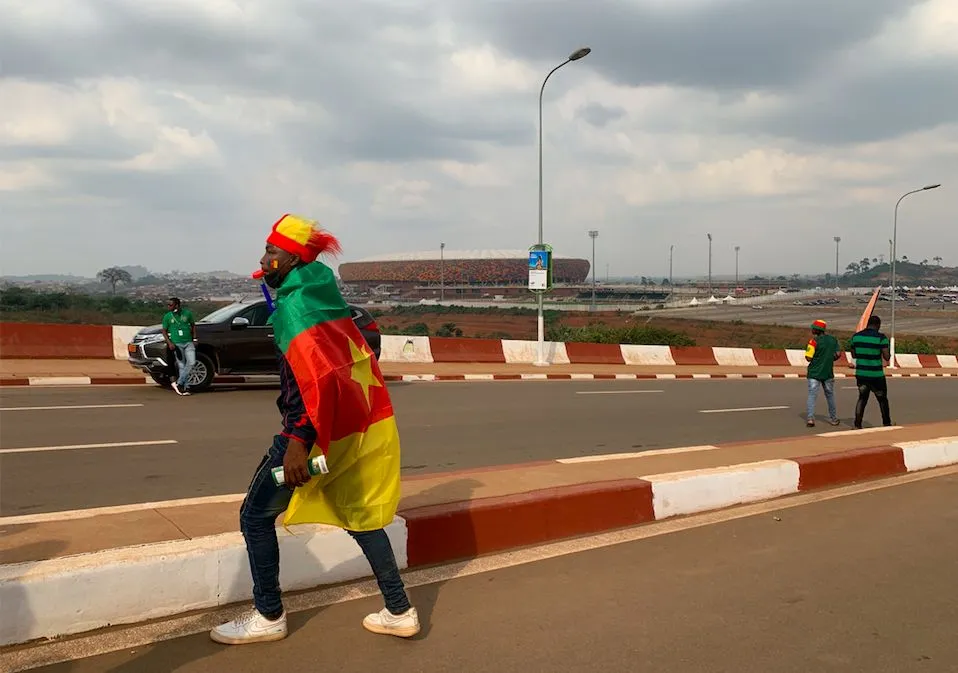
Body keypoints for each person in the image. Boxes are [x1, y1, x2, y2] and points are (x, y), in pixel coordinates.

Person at [211, 214, 419, 645]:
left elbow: (314, 382)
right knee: (358, 517)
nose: (263, 258)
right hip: (340, 435)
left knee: (255, 516)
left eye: (272, 251)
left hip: (303, 440)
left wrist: (297, 443)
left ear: (293, 257)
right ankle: (400, 610)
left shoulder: (296, 307)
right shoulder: (320, 295)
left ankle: (268, 615)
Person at [849, 314, 893, 429]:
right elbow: (887, 357)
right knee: (882, 399)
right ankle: (886, 423)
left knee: (862, 398)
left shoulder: (856, 337)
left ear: (868, 324)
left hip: (861, 374)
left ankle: (857, 424)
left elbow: (854, 354)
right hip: (876, 375)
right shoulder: (881, 338)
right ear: (878, 325)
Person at [804, 319, 842, 427]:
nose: (811, 329)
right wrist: (829, 358)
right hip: (828, 373)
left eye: (813, 328)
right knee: (830, 396)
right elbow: (838, 354)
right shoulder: (833, 340)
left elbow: (808, 357)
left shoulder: (813, 342)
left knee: (812, 395)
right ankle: (833, 419)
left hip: (814, 373)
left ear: (816, 330)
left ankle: (810, 419)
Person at [161, 297, 196, 396]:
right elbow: (164, 331)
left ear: (177, 305)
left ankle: (179, 383)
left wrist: (195, 338)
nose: (169, 306)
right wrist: (170, 343)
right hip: (177, 343)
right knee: (181, 365)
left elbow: (193, 325)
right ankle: (186, 386)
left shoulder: (187, 313)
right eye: (168, 305)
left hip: (188, 342)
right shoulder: (168, 316)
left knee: (192, 362)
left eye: (171, 305)